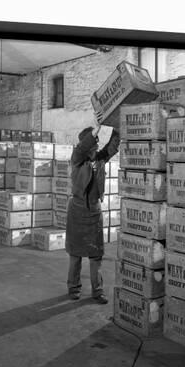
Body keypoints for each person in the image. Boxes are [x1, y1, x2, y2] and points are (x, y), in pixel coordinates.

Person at [65, 115, 120, 304]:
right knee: (76, 255)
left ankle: (98, 292)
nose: (97, 145)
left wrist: (118, 125)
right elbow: (80, 149)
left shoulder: (99, 160)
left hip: (94, 212)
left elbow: (112, 146)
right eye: (94, 142)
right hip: (77, 212)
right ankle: (73, 288)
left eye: (97, 142)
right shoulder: (77, 160)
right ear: (86, 145)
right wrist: (96, 130)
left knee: (96, 255)